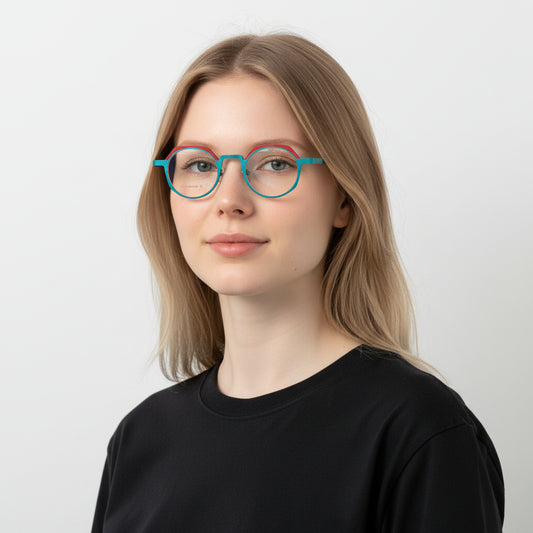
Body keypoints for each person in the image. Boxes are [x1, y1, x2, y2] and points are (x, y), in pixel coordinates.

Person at [90, 33, 505, 532]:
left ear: (344, 197)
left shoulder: (418, 431)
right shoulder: (140, 440)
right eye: (200, 164)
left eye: (275, 163)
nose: (230, 199)